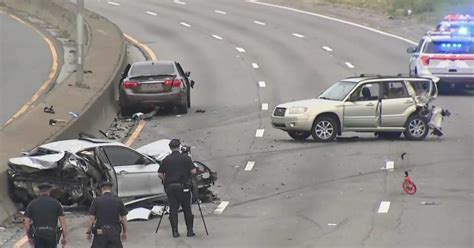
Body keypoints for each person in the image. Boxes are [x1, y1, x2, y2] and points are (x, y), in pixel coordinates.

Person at [158, 139, 197, 238]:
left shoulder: (166, 159)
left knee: (173, 209)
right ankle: (189, 231)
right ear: (179, 147)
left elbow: (160, 174)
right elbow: (193, 171)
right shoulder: (185, 158)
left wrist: (165, 180)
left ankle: (175, 232)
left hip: (171, 187)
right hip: (183, 187)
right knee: (187, 208)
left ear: (170, 148)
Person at [23, 183, 68, 248]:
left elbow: (26, 221)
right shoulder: (56, 203)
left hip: (38, 234)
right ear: (49, 191)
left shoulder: (32, 204)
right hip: (51, 235)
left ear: (39, 192)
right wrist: (64, 237)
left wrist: (29, 236)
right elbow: (63, 222)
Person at [86, 181, 128, 248]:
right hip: (114, 233)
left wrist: (88, 232)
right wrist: (125, 232)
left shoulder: (96, 201)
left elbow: (91, 218)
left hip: (100, 233)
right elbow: (124, 218)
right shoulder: (118, 200)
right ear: (111, 189)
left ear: (102, 189)